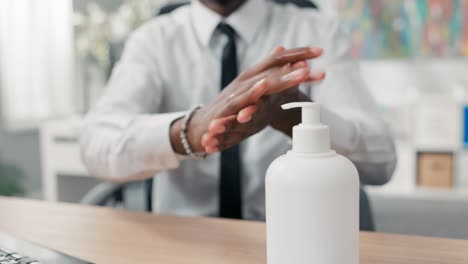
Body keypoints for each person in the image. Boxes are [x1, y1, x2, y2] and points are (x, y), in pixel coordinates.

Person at [80, 0, 396, 220]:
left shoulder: (317, 31)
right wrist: (188, 131)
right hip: (186, 242)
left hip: (291, 237)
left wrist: (295, 115)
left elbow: (381, 163)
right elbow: (95, 145)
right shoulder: (153, 40)